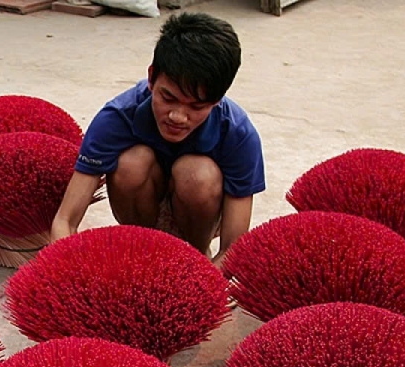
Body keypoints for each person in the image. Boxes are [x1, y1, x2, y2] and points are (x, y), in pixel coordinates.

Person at [50, 12, 265, 267]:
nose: (178, 116)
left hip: (199, 212)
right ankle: (145, 252)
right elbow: (64, 220)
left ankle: (194, 255)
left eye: (196, 106)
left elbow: (233, 248)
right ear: (151, 77)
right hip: (142, 204)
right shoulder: (116, 118)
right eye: (168, 97)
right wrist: (71, 273)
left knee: (197, 173)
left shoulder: (238, 133)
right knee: (131, 162)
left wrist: (201, 284)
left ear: (218, 100)